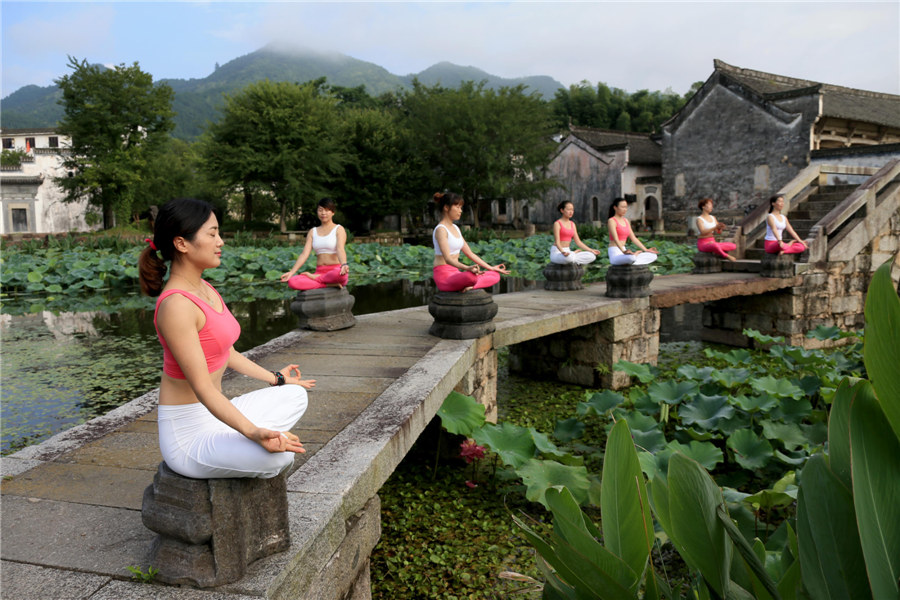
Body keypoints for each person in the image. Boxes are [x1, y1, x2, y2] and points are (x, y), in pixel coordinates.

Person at [138, 197, 315, 479]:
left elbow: (225, 352)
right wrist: (253, 432)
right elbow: (203, 389)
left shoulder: (204, 287)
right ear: (182, 243)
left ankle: (238, 441)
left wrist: (276, 378)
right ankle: (243, 442)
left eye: (218, 233)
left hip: (215, 414)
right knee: (278, 459)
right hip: (188, 436)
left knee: (295, 395)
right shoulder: (177, 306)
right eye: (212, 234)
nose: (220, 241)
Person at [432, 192, 510, 292]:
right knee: (470, 276)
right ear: (446, 208)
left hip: (456, 274)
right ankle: (470, 284)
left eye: (461, 207)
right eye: (457, 207)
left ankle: (470, 286)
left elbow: (470, 253)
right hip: (444, 277)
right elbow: (448, 259)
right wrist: (468, 268)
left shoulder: (456, 228)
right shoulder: (441, 230)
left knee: (495, 275)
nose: (460, 211)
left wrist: (491, 268)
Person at [281, 198, 349, 290]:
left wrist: (344, 264)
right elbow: (304, 254)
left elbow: (340, 249)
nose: (323, 213)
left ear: (333, 212)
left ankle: (316, 279)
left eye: (327, 210)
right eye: (320, 210)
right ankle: (327, 284)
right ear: (317, 212)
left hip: (334, 271)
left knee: (341, 275)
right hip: (319, 272)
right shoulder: (313, 232)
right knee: (293, 282)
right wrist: (292, 272)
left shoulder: (339, 229)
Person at [607, 197, 658, 266]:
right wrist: (624, 251)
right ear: (615, 207)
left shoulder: (626, 221)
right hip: (615, 252)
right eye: (622, 207)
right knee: (631, 258)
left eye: (626, 207)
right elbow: (616, 239)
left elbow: (633, 238)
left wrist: (646, 249)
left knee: (653, 256)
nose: (625, 209)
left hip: (625, 253)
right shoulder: (612, 221)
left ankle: (633, 259)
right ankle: (634, 257)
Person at [551, 201, 601, 265]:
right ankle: (573, 254)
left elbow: (578, 242)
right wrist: (563, 252)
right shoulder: (557, 223)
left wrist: (591, 250)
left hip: (567, 251)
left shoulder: (572, 224)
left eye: (572, 210)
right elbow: (557, 242)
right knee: (569, 258)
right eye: (568, 209)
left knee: (592, 256)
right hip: (558, 252)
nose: (571, 212)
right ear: (562, 210)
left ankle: (572, 254)